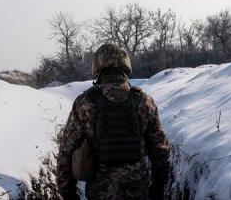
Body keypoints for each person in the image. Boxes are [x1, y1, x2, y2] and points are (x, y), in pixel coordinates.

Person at [56, 43, 171, 199]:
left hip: (100, 190)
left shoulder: (84, 103)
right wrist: (158, 186)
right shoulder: (145, 101)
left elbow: (66, 152)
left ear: (97, 67)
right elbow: (160, 150)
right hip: (136, 188)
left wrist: (68, 193)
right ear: (125, 66)